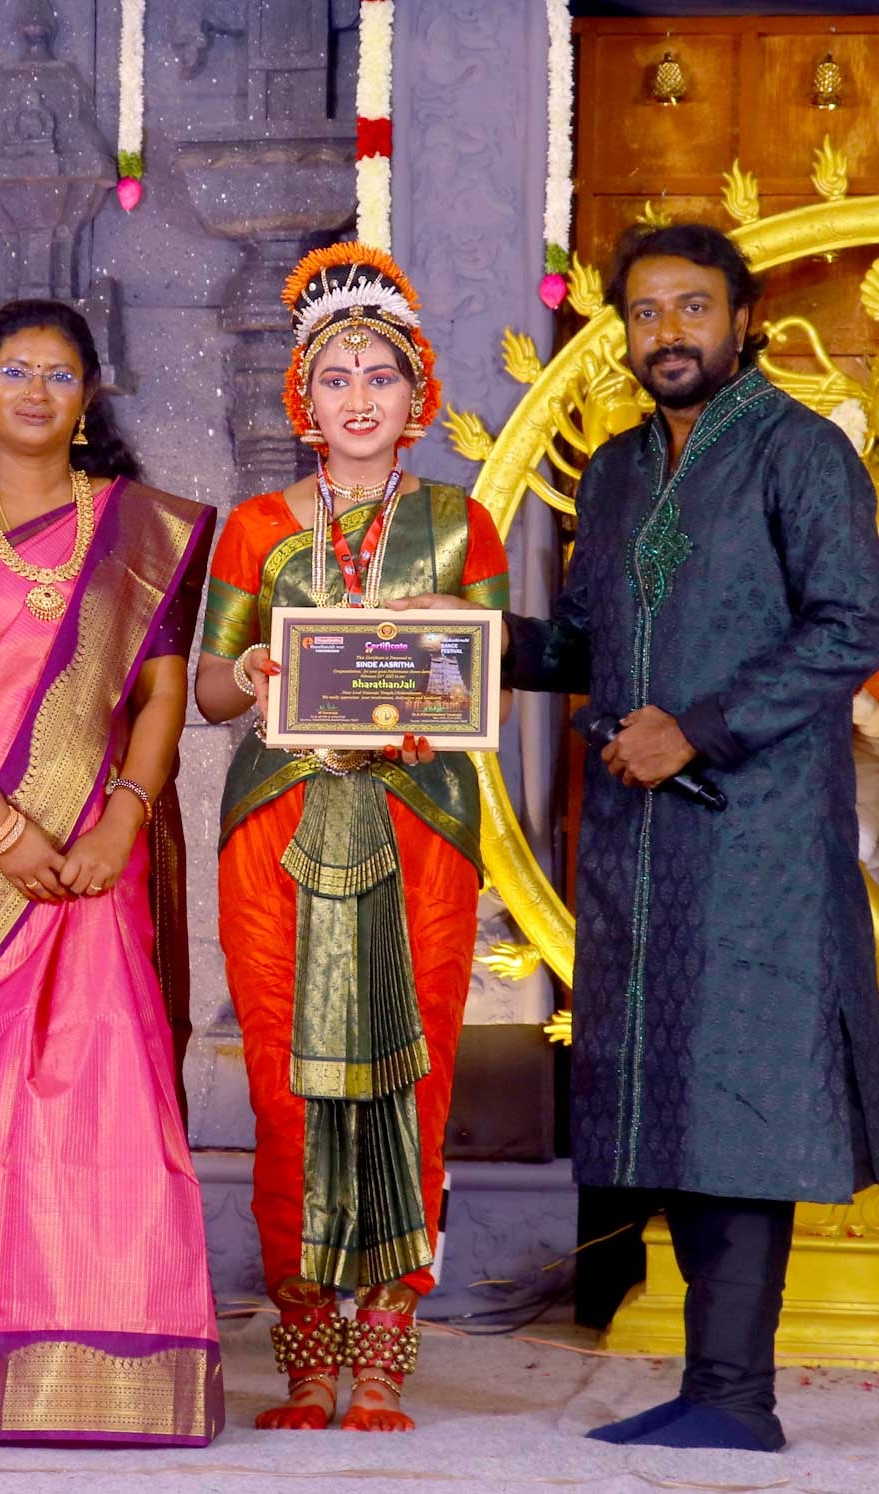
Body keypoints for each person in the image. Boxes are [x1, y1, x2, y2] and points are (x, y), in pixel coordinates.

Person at [504, 223, 879, 1451]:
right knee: (666, 1089)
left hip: (757, 839)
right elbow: (586, 646)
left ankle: (735, 1398)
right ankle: (712, 1384)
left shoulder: (802, 452)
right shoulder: (616, 471)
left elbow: (849, 627)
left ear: (742, 318)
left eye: (692, 307)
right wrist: (464, 644)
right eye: (646, 311)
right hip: (640, 847)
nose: (668, 331)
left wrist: (698, 730)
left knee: (743, 1093)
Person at [0, 299, 223, 1446]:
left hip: (90, 852)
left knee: (104, 1086)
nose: (36, 391)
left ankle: (113, 1357)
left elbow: (161, 692)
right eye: (16, 371)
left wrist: (124, 816)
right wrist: (1, 830)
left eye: (60, 374)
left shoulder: (137, 527)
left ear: (89, 401)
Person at [195, 243, 510, 1433]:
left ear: (416, 392)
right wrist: (257, 672)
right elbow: (211, 689)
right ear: (305, 399)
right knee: (287, 1083)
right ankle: (306, 1347)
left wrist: (444, 634)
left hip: (420, 816)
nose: (359, 398)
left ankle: (383, 1344)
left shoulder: (460, 526)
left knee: (410, 1078)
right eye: (336, 378)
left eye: (380, 375)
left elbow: (484, 686)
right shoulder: (256, 527)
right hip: (281, 817)